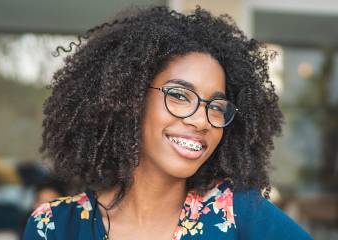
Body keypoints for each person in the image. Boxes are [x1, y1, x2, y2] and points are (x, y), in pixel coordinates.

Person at [23, 5, 313, 240]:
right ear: (130, 98)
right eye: (179, 95)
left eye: (216, 106)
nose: (202, 121)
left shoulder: (236, 213)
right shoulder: (55, 226)